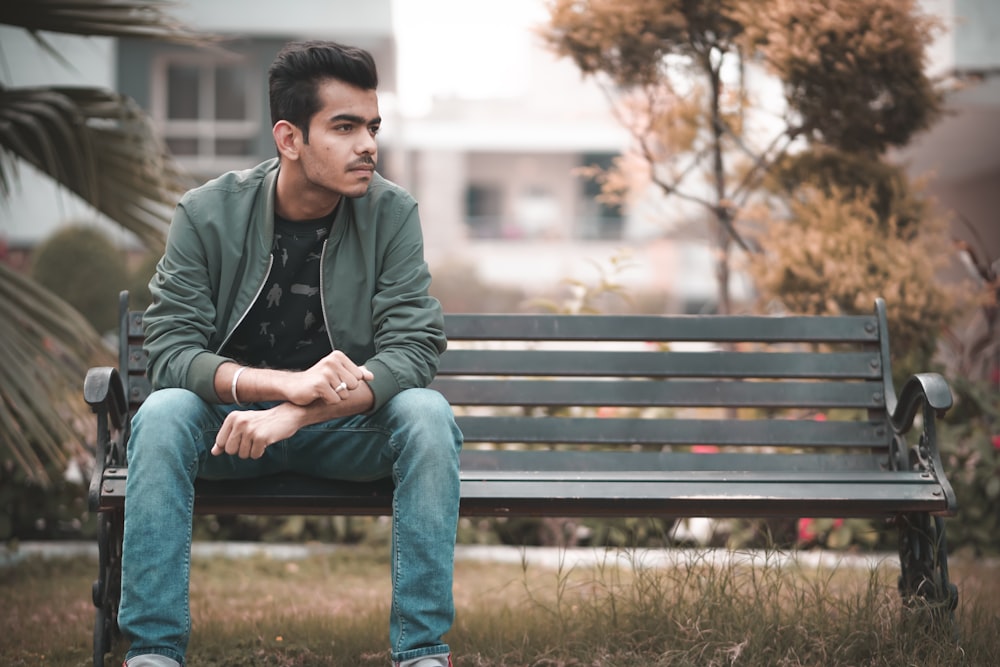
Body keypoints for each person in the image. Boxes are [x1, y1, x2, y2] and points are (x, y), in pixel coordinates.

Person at [119, 40, 462, 667]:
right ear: (289, 138)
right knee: (164, 413)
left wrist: (297, 414)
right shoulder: (206, 214)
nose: (368, 145)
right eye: (345, 126)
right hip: (229, 434)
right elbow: (169, 352)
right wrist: (279, 388)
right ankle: (152, 653)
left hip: (341, 431)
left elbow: (413, 349)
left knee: (427, 414)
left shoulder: (392, 214)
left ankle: (421, 654)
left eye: (373, 127)